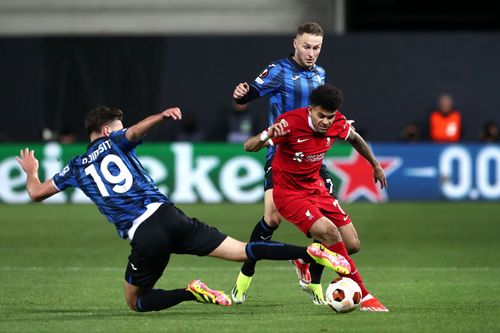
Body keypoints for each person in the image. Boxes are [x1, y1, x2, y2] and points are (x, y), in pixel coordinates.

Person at [15, 106, 351, 312]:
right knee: (242, 250)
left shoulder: (74, 167)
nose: (122, 132)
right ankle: (312, 252)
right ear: (105, 131)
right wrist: (160, 117)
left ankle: (190, 292)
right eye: (117, 128)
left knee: (136, 301)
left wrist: (31, 170)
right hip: (170, 215)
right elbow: (134, 131)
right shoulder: (113, 141)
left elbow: (35, 193)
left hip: (145, 233)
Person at [243, 84, 389, 312]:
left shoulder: (337, 122)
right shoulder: (289, 123)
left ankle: (307, 261)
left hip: (316, 189)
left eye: (329, 117)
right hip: (289, 194)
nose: (325, 122)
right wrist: (268, 134)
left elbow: (355, 138)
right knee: (330, 232)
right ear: (310, 109)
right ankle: (366, 295)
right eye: (321, 116)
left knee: (351, 244)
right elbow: (248, 146)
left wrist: (375, 165)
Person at [231, 22, 337, 305]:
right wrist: (243, 92)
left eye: (316, 47)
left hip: (312, 158)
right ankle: (245, 276)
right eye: (306, 46)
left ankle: (314, 282)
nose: (311, 53)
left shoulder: (320, 74)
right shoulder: (279, 70)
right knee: (272, 219)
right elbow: (253, 90)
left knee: (324, 224)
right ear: (295, 43)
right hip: (279, 154)